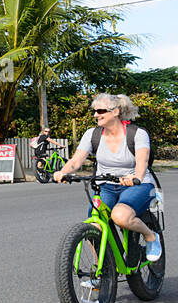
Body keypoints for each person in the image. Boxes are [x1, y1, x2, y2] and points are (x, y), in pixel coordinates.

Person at [53, 94, 162, 260]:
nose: (95, 115)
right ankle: (102, 272)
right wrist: (63, 172)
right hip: (105, 185)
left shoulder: (137, 134)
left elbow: (142, 161)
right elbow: (76, 160)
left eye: (100, 111)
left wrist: (135, 177)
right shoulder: (92, 134)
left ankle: (151, 236)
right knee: (93, 226)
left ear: (116, 111)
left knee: (120, 217)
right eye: (95, 111)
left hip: (137, 185)